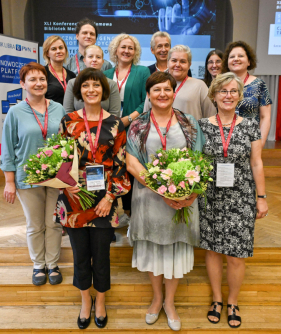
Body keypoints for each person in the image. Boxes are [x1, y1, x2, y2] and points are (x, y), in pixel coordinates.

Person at [126, 71, 205, 331]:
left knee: (174, 250)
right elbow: (132, 162)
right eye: (156, 89)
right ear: (148, 94)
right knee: (153, 250)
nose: (162, 94)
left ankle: (170, 302)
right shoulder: (139, 124)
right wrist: (162, 190)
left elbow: (199, 158)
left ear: (174, 93)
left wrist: (189, 192)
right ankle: (156, 298)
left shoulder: (189, 122)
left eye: (167, 89)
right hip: (149, 198)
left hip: (182, 199)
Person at [54, 68, 131, 329]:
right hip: (74, 198)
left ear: (104, 90)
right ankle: (85, 300)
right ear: (79, 92)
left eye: (96, 86)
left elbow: (121, 164)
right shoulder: (68, 121)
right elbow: (59, 158)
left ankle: (101, 301)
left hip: (104, 200)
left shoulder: (116, 123)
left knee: (101, 254)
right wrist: (66, 183)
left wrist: (110, 198)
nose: (91, 90)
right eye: (85, 85)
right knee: (79, 254)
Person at [197, 72, 268, 328]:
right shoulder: (202, 126)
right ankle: (216, 299)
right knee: (214, 250)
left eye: (233, 91)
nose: (228, 96)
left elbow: (257, 162)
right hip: (210, 196)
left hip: (242, 196)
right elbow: (196, 162)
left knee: (237, 255)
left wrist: (262, 197)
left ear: (239, 96)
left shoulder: (250, 125)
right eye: (223, 91)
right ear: (213, 95)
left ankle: (232, 301)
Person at [0, 62, 66, 286]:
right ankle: (39, 264)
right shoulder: (15, 112)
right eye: (33, 80)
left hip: (56, 176)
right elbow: (8, 148)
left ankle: (52, 262)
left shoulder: (58, 108)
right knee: (35, 224)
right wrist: (9, 182)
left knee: (54, 222)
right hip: (27, 177)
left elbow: (67, 142)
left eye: (42, 79)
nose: (39, 83)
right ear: (23, 84)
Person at [104, 34, 150, 228]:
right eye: (123, 47)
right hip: (110, 130)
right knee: (113, 169)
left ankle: (133, 216)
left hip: (134, 129)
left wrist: (128, 118)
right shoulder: (105, 74)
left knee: (131, 170)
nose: (126, 51)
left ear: (135, 52)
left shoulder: (142, 72)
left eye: (131, 48)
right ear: (115, 50)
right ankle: (114, 214)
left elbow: (146, 100)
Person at [143, 45, 215, 121]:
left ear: (189, 65)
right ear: (167, 63)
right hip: (158, 132)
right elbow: (145, 116)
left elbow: (211, 118)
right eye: (174, 60)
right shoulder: (155, 84)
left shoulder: (199, 86)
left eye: (183, 61)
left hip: (191, 132)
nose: (177, 65)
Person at [221, 41, 272, 147]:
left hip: (249, 142)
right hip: (222, 141)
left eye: (241, 56)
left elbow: (265, 117)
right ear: (227, 62)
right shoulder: (220, 84)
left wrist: (260, 144)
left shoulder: (259, 84)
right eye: (232, 57)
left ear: (249, 61)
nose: (236, 59)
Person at [63, 45, 121, 117]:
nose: (94, 60)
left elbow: (115, 114)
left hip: (106, 127)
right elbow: (68, 112)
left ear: (103, 61)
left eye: (98, 57)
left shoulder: (111, 84)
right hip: (77, 126)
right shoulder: (72, 83)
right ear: (84, 60)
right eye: (90, 56)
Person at [42, 35, 76, 104]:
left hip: (70, 114)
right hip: (50, 113)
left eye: (61, 48)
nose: (58, 51)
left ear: (65, 50)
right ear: (47, 53)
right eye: (54, 49)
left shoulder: (72, 75)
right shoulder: (42, 73)